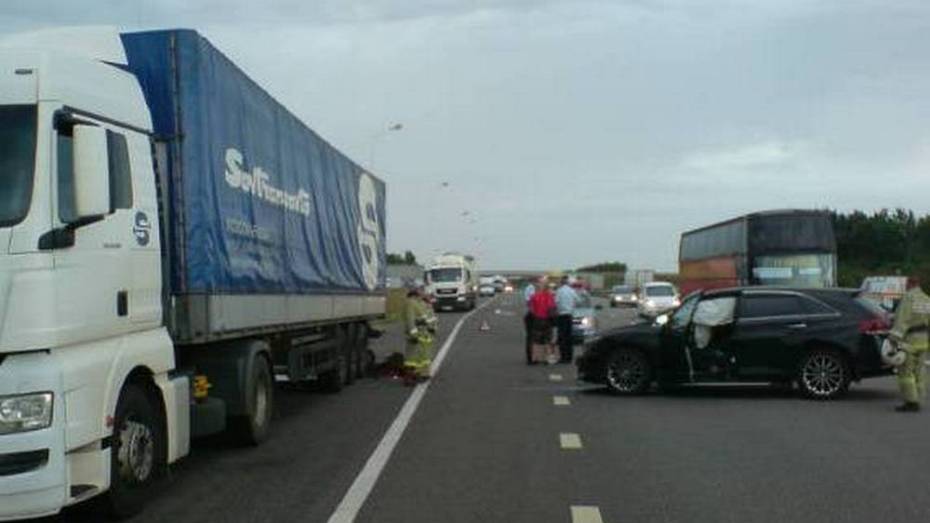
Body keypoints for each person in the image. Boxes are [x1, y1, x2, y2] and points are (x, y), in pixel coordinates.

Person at [889, 278, 930, 412]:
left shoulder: (908, 298)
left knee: (906, 372)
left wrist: (893, 338)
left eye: (906, 285)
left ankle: (911, 402)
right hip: (923, 341)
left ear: (911, 284)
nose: (905, 287)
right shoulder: (926, 299)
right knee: (919, 372)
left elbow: (902, 319)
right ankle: (918, 397)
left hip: (910, 341)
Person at [402, 287, 437, 385]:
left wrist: (431, 328)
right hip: (417, 334)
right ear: (416, 292)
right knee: (411, 358)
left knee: (421, 357)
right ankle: (409, 377)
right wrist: (413, 335)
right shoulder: (410, 303)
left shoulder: (419, 303)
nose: (424, 293)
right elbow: (410, 320)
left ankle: (419, 374)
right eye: (422, 291)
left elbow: (426, 318)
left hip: (423, 333)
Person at [528, 283, 557, 364]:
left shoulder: (534, 296)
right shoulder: (549, 297)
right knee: (547, 340)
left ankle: (535, 358)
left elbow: (531, 309)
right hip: (547, 320)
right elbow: (552, 308)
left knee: (535, 340)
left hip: (537, 319)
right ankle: (546, 358)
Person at [555, 276, 579, 363]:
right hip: (570, 315)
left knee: (562, 337)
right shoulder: (572, 291)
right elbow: (577, 300)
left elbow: (556, 302)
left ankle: (563, 357)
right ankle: (569, 357)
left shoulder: (559, 291)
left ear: (561, 282)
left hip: (562, 316)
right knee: (569, 337)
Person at [522, 280, 538, 365]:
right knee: (533, 337)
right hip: (532, 315)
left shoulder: (530, 289)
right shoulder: (531, 289)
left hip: (530, 314)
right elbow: (529, 301)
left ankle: (532, 357)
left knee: (531, 337)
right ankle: (532, 358)